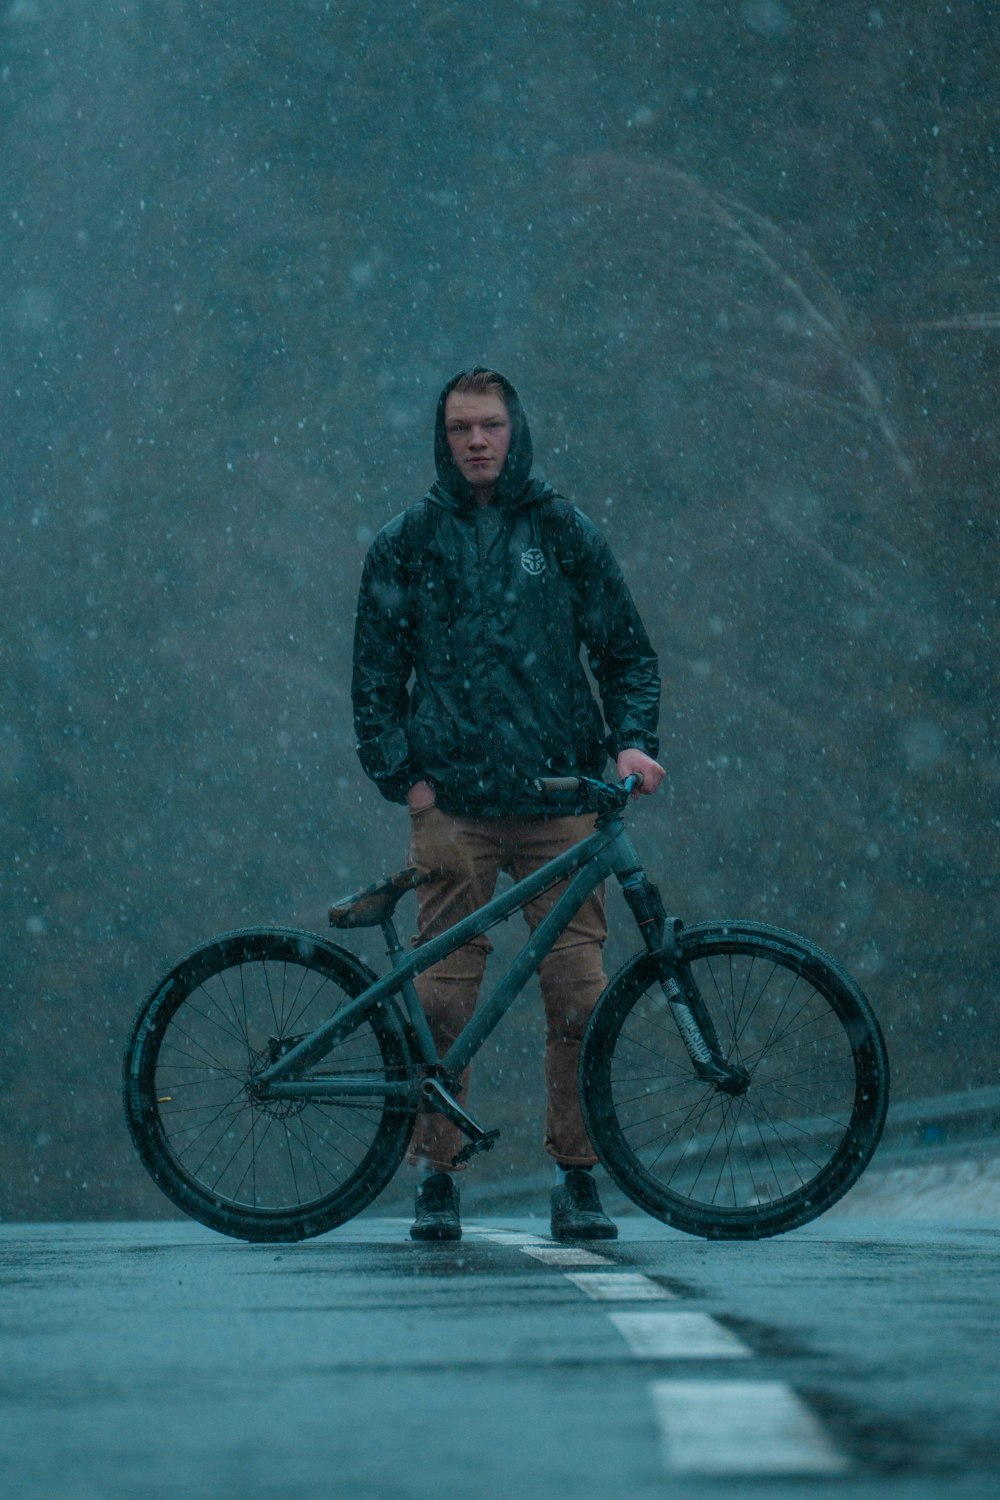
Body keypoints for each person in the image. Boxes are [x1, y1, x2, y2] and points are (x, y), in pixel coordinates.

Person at [352, 367, 663, 1243]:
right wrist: (404, 780)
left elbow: (627, 655)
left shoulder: (565, 532)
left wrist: (630, 742)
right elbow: (372, 681)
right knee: (443, 1003)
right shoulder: (407, 542)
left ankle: (578, 1177)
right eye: (460, 428)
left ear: (516, 430)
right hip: (451, 809)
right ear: (441, 438)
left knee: (579, 997)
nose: (477, 441)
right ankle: (436, 1176)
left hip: (565, 799)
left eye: (490, 425)